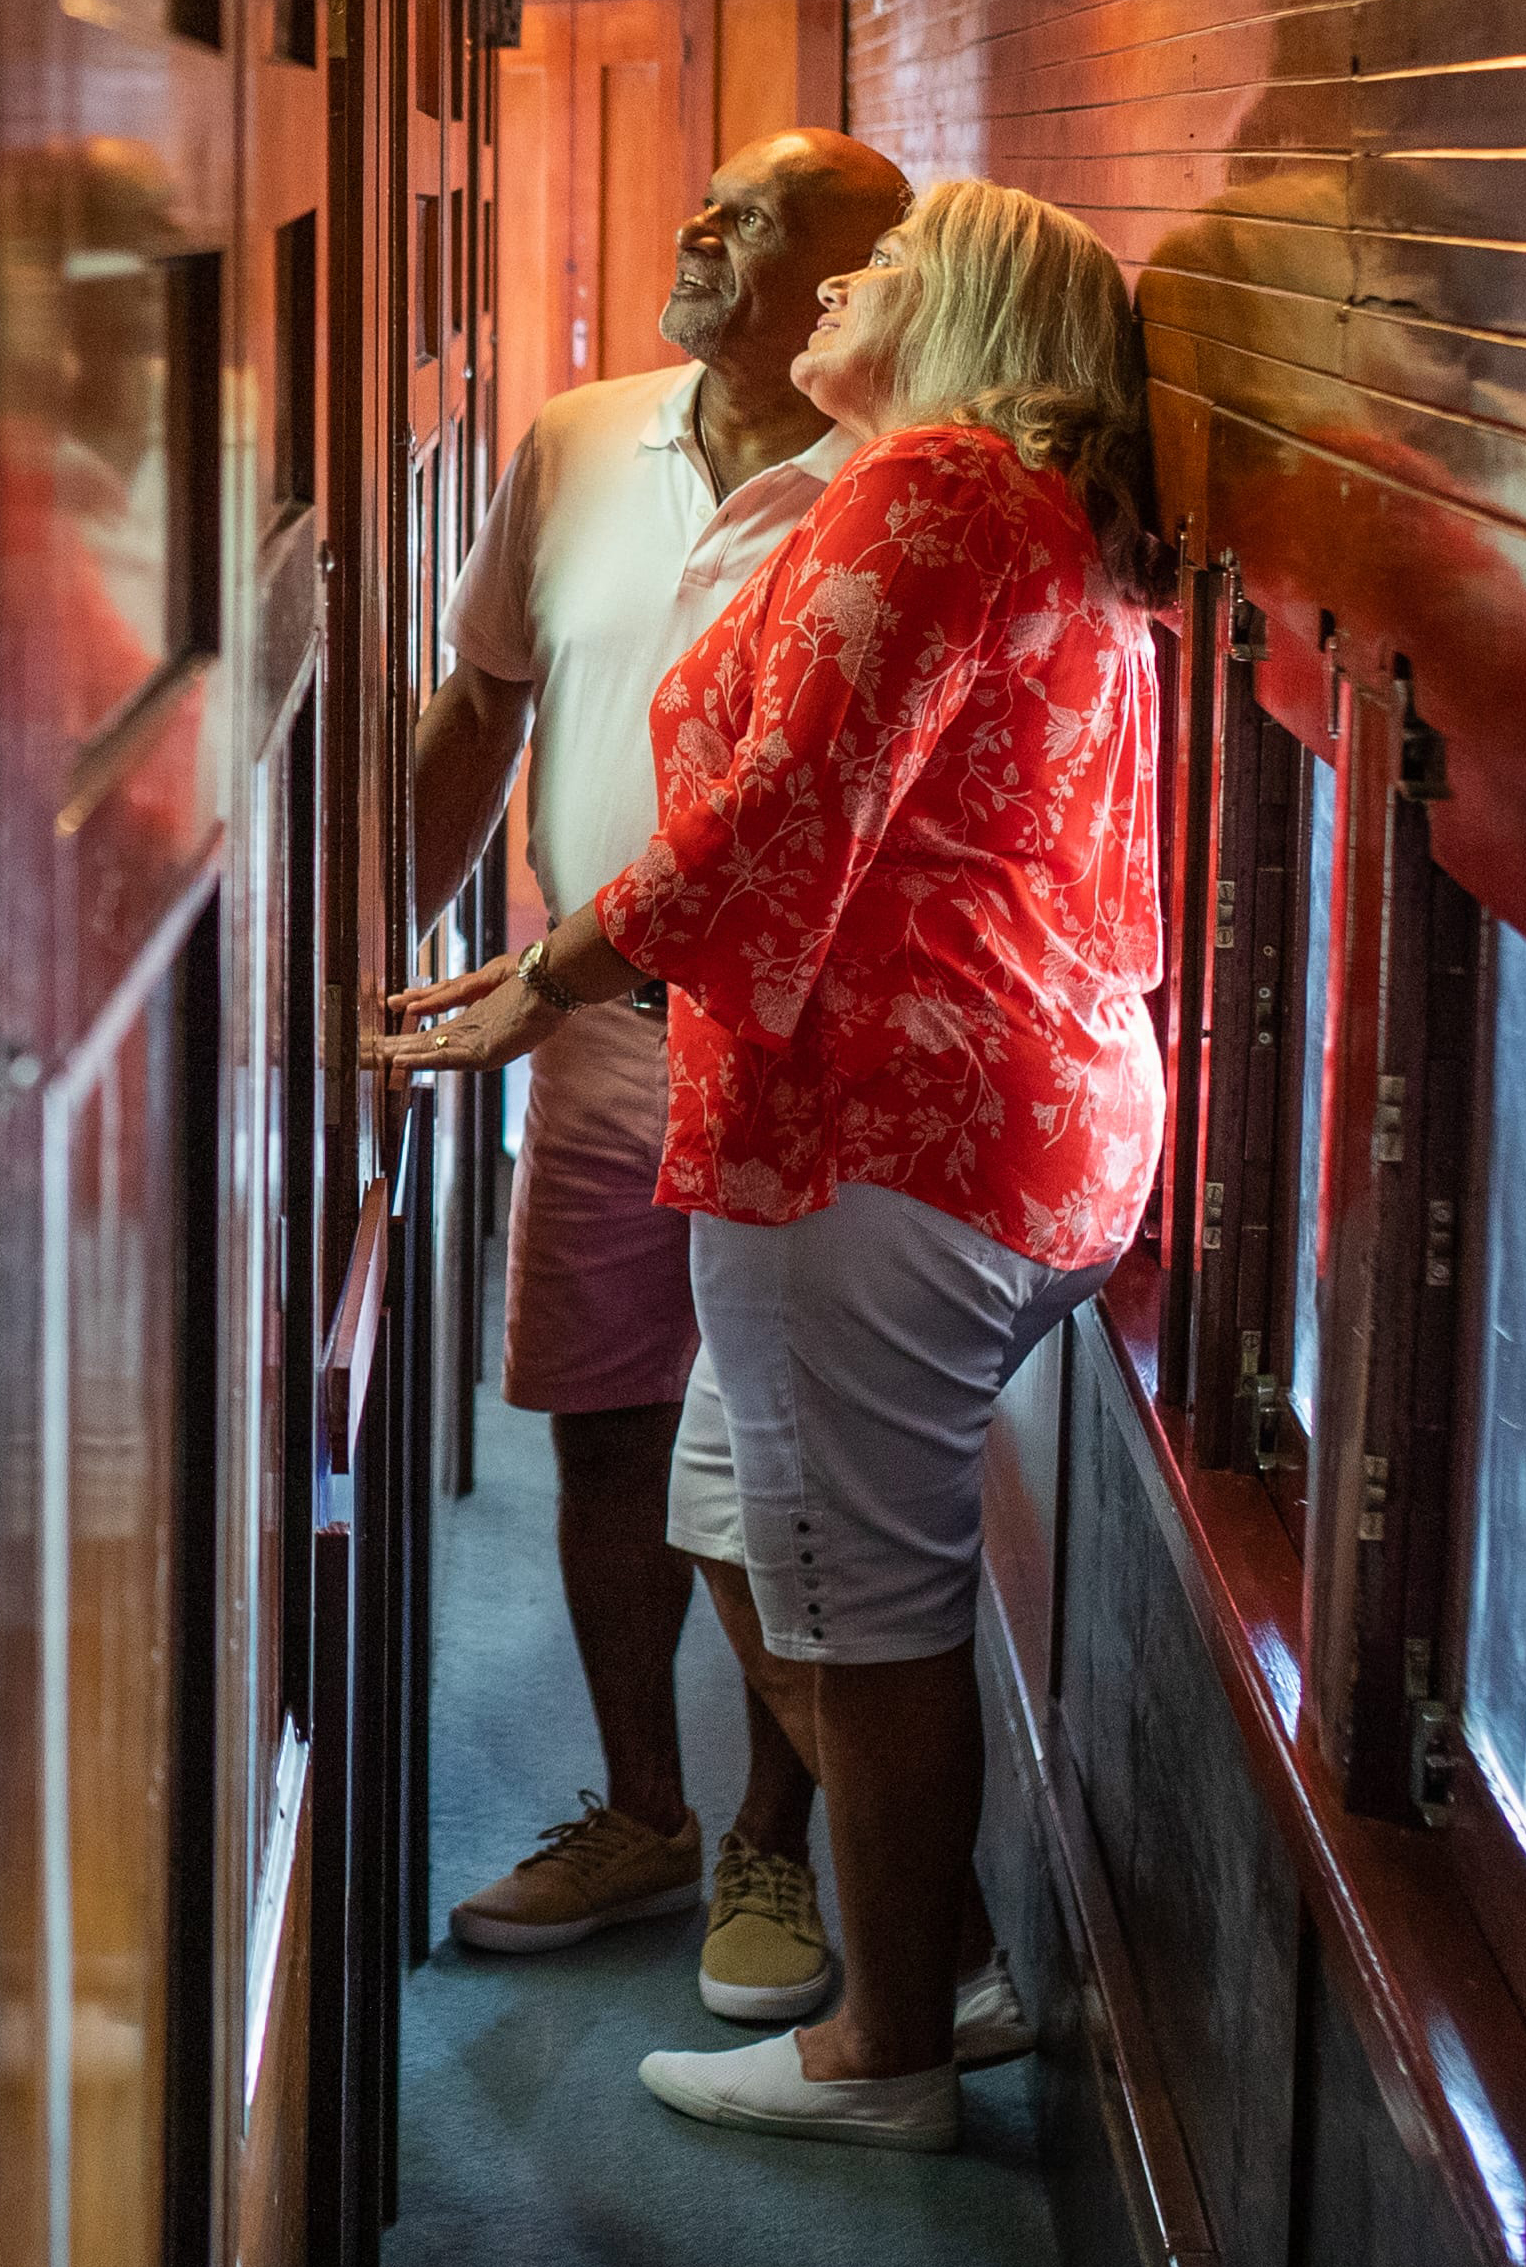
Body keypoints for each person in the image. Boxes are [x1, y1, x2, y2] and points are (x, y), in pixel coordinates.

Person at [373, 178, 1170, 2155]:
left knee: (869, 1599)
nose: (837, 285)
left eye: (880, 266)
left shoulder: (933, 498)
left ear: (968, 306)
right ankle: (941, 1948)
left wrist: (532, 981)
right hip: (986, 1112)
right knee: (743, 1510)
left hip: (877, 1137)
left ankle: (881, 2045)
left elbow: (766, 825)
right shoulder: (989, 505)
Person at [415, 128, 907, 2028]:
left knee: (777, 1467)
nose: (701, 231)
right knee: (606, 1426)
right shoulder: (573, 437)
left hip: (800, 1056)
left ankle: (774, 1841)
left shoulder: (893, 484)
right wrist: (363, 941)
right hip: (593, 1036)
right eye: (706, 201)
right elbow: (482, 706)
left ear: (858, 282)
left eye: (759, 219)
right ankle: (642, 1806)